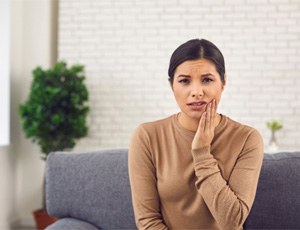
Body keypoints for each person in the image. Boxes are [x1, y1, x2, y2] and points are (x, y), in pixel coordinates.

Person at [128, 38, 264, 230]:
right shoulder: (147, 136)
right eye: (184, 81)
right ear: (171, 85)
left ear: (223, 83)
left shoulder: (247, 139)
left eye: (207, 80)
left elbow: (232, 221)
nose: (196, 92)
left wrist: (201, 153)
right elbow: (147, 221)